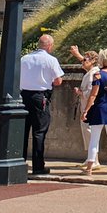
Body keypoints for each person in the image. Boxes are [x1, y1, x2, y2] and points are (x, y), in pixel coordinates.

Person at [19, 33, 64, 176]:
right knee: (39, 132)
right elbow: (58, 81)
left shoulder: (24, 59)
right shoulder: (51, 60)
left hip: (23, 96)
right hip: (40, 97)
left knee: (23, 131)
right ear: (49, 46)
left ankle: (19, 162)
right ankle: (38, 166)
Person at [80, 48, 107, 175]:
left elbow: (93, 95)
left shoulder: (98, 75)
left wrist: (85, 111)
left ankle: (89, 168)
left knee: (94, 139)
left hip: (100, 108)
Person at [69, 45, 101, 170]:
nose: (82, 63)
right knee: (87, 133)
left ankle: (94, 160)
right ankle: (90, 158)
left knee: (90, 132)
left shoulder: (93, 73)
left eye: (85, 60)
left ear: (92, 61)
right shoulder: (90, 72)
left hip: (89, 107)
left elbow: (91, 92)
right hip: (85, 106)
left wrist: (79, 93)